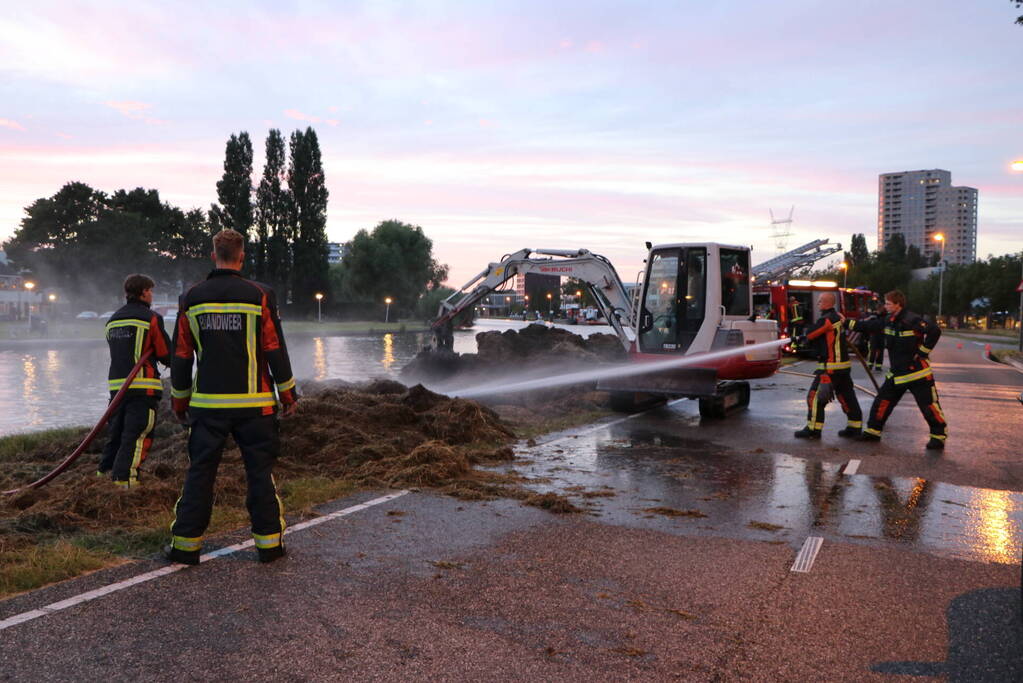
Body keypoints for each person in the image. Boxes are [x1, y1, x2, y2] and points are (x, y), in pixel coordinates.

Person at [165, 229, 298, 565]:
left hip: (208, 407)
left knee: (200, 474)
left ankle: (185, 547)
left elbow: (181, 356)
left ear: (214, 255)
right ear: (241, 256)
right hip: (256, 406)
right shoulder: (260, 295)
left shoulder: (191, 298)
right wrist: (288, 393)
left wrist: (179, 401)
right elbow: (274, 347)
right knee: (259, 474)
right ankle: (269, 547)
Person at [847, 289, 947, 450]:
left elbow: (934, 331)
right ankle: (873, 431)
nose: (885, 306)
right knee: (882, 402)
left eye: (888, 303)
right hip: (897, 373)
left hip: (917, 373)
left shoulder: (912, 319)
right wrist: (846, 322)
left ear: (898, 304)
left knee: (929, 406)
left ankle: (938, 437)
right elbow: (868, 326)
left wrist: (923, 352)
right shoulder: (889, 320)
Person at [98, 274, 172, 487]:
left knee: (117, 434)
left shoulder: (112, 320)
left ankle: (103, 476)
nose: (152, 295)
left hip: (116, 388)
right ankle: (125, 482)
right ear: (144, 292)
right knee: (137, 434)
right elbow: (166, 353)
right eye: (151, 291)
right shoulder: (151, 318)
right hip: (143, 388)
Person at [793, 292, 863, 439]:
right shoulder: (837, 317)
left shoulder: (826, 319)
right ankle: (854, 426)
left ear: (826, 303)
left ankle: (813, 430)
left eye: (819, 302)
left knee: (815, 397)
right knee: (846, 396)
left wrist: (802, 337)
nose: (818, 304)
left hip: (830, 367)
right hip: (843, 367)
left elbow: (811, 334)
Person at [865, 303, 886, 372]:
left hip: (881, 335)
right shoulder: (873, 315)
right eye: (879, 308)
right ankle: (870, 365)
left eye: (881, 309)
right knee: (872, 351)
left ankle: (878, 366)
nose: (880, 310)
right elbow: (867, 322)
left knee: (880, 351)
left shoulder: (885, 315)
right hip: (874, 335)